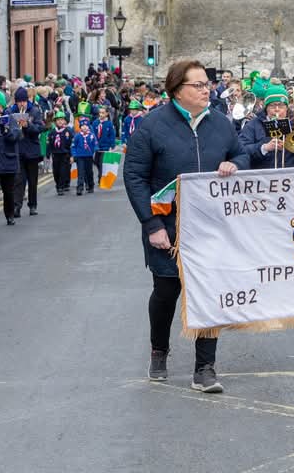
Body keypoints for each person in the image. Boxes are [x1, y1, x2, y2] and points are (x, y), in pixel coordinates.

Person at [123, 60, 249, 393]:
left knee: (208, 294)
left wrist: (233, 163)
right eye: (199, 85)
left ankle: (205, 368)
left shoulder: (221, 124)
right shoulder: (151, 126)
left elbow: (242, 154)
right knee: (166, 291)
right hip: (167, 224)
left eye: (207, 84)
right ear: (177, 89)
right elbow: (134, 176)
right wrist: (152, 225)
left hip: (211, 227)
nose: (207, 89)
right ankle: (159, 349)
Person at [237, 85, 294, 169]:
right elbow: (241, 150)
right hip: (263, 177)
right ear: (266, 107)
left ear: (286, 107)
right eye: (272, 105)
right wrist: (264, 147)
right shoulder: (253, 125)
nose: (277, 109)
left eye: (281, 105)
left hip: (293, 176)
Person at [0, 92, 21, 227]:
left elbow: (15, 136)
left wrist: (6, 130)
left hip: (8, 160)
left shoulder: (10, 118)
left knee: (9, 191)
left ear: (3, 107)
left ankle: (10, 215)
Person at [10, 87, 45, 217]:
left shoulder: (34, 111)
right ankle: (16, 207)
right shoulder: (11, 112)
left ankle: (33, 205)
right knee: (18, 181)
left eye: (24, 101)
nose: (22, 104)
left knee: (32, 181)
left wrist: (28, 126)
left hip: (32, 151)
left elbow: (40, 128)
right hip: (18, 151)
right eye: (19, 101)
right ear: (16, 101)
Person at [47, 111, 73, 195]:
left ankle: (61, 187)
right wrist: (48, 153)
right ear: (55, 121)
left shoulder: (68, 131)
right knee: (56, 172)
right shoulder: (52, 132)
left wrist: (72, 155)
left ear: (65, 121)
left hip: (65, 154)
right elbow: (49, 143)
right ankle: (58, 183)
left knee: (63, 171)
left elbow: (71, 145)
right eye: (58, 120)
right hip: (55, 154)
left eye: (62, 120)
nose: (60, 121)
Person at [72, 117, 97, 195]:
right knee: (81, 172)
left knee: (89, 172)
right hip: (80, 157)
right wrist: (74, 154)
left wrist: (95, 150)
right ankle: (80, 188)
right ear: (80, 127)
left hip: (89, 156)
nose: (84, 127)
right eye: (82, 126)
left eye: (86, 126)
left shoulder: (91, 135)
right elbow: (73, 146)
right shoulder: (77, 136)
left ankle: (90, 185)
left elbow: (95, 144)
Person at [93, 105, 117, 184]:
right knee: (96, 161)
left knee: (101, 162)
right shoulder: (95, 123)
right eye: (100, 113)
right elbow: (93, 134)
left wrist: (112, 145)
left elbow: (112, 135)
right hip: (97, 147)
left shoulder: (109, 124)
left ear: (106, 114)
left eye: (103, 113)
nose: (101, 115)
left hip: (105, 146)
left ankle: (101, 178)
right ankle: (102, 173)